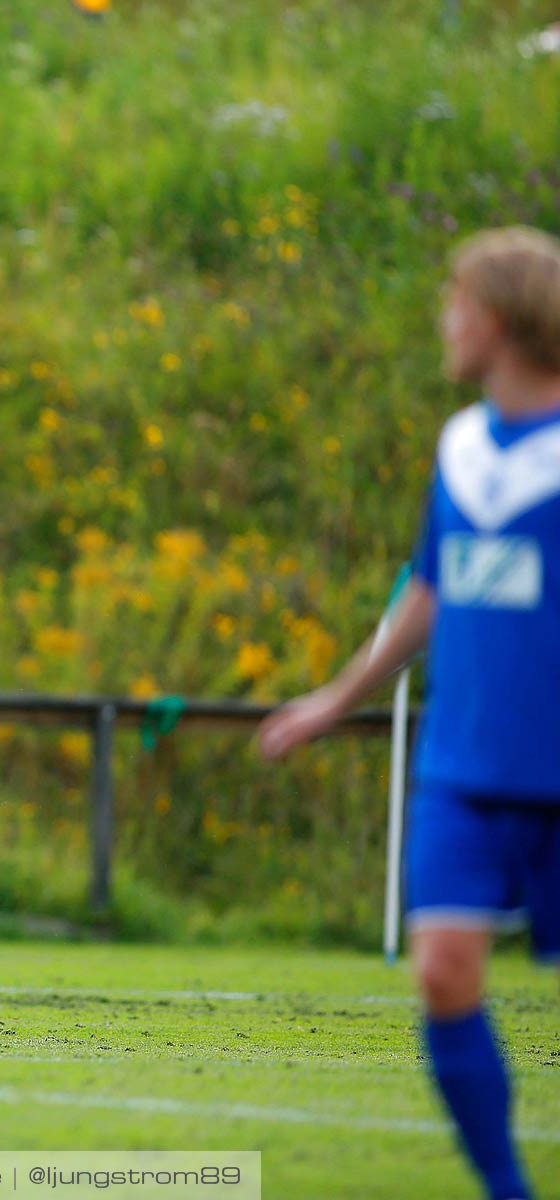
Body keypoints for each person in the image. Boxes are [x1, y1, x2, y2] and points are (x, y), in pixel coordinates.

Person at [258, 227, 560, 1200]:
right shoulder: (462, 447)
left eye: (456, 302)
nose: (445, 319)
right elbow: (429, 589)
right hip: (463, 765)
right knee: (442, 973)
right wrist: (335, 699)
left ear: (502, 321)